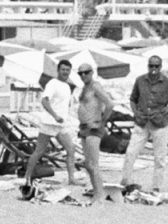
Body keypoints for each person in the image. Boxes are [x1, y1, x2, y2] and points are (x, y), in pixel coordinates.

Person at [121, 57, 168, 196]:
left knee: (159, 157)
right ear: (148, 66)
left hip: (160, 123)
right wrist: (135, 112)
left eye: (156, 66)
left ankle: (156, 187)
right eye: (151, 66)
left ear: (160, 67)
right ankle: (126, 181)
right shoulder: (140, 80)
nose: (153, 69)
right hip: (142, 122)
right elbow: (133, 99)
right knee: (130, 152)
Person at [22, 60, 77, 198]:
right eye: (63, 69)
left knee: (71, 149)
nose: (65, 72)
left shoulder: (67, 86)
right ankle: (27, 177)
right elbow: (44, 101)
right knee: (39, 151)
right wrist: (55, 115)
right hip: (49, 123)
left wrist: (63, 118)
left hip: (61, 124)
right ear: (58, 70)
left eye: (67, 70)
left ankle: (72, 178)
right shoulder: (53, 83)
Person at [75, 66, 114, 205]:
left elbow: (110, 104)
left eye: (86, 72)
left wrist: (102, 121)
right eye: (81, 73)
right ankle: (97, 192)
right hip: (84, 127)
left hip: (93, 126)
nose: (83, 75)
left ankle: (99, 195)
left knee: (94, 163)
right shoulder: (84, 87)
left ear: (92, 73)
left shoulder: (95, 86)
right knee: (88, 165)